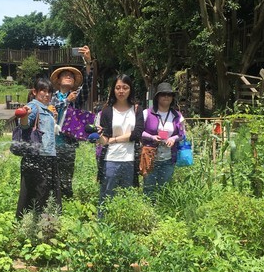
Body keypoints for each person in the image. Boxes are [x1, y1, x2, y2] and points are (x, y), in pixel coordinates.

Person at [50, 45, 94, 197]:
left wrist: (88, 63)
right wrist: (66, 102)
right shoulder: (51, 97)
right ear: (59, 80)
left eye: (71, 76)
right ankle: (53, 202)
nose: (69, 77)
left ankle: (67, 202)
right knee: (51, 176)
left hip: (68, 143)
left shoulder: (76, 97)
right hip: (51, 143)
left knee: (67, 177)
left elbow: (87, 85)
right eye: (65, 75)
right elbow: (50, 110)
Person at [15, 77, 61, 219]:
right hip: (38, 157)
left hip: (48, 156)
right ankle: (36, 223)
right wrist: (24, 115)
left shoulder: (46, 109)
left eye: (49, 92)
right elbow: (24, 125)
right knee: (39, 192)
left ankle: (43, 221)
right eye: (43, 91)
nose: (47, 95)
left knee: (44, 191)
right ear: (35, 92)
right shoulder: (33, 106)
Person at [98, 74, 144, 214]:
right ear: (113, 90)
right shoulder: (107, 110)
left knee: (127, 195)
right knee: (107, 194)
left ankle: (124, 226)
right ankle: (102, 225)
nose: (121, 91)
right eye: (118, 87)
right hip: (110, 158)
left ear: (130, 89)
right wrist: (98, 135)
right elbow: (105, 139)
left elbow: (137, 134)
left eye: (125, 87)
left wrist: (115, 139)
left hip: (130, 159)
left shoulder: (136, 109)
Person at [141, 82, 186, 195]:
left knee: (165, 189)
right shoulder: (147, 113)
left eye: (169, 95)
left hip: (168, 158)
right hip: (150, 157)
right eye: (163, 94)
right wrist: (151, 137)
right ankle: (148, 211)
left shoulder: (177, 115)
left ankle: (163, 211)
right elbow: (138, 132)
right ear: (157, 97)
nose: (166, 97)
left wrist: (173, 139)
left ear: (172, 98)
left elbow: (182, 134)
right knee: (148, 189)